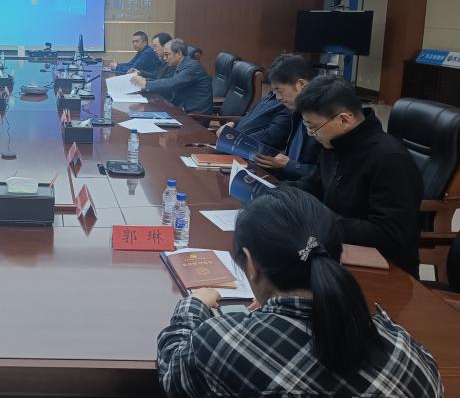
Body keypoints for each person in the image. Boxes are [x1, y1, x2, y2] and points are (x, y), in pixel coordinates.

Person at [157, 189, 443, 397]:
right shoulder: (411, 356)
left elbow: (174, 374)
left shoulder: (221, 343)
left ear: (251, 265)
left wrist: (193, 305)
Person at [290, 75, 423, 275]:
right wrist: (277, 193)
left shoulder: (390, 159)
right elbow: (315, 185)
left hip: (382, 269)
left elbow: (389, 234)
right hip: (334, 248)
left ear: (344, 119)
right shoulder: (334, 144)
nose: (311, 134)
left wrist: (321, 221)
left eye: (313, 127)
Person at [251, 54, 321, 180]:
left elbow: (328, 176)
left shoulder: (324, 119)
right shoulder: (297, 112)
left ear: (301, 84)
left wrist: (288, 165)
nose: (278, 98)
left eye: (280, 90)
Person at [130, 38, 212, 115]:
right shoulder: (181, 65)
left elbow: (172, 83)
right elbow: (165, 79)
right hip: (181, 110)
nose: (165, 58)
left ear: (179, 54)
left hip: (193, 117)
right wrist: (144, 81)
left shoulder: (192, 67)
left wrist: (146, 84)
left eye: (167, 54)